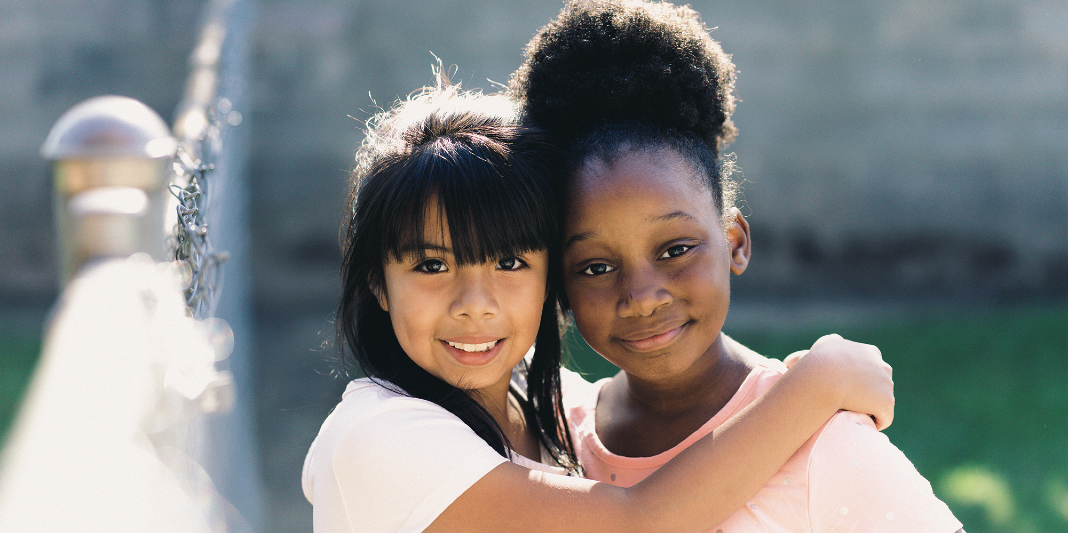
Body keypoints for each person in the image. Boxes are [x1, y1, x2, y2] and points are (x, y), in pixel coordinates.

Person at [302, 70, 894, 532]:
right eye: (432, 265)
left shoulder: (550, 408)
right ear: (378, 281)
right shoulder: (377, 437)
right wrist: (821, 381)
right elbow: (641, 521)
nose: (474, 304)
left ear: (550, 277)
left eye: (509, 262)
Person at [508, 0, 964, 531]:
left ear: (734, 242)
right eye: (594, 267)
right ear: (557, 284)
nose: (643, 295)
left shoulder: (829, 448)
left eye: (675, 250)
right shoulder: (549, 441)